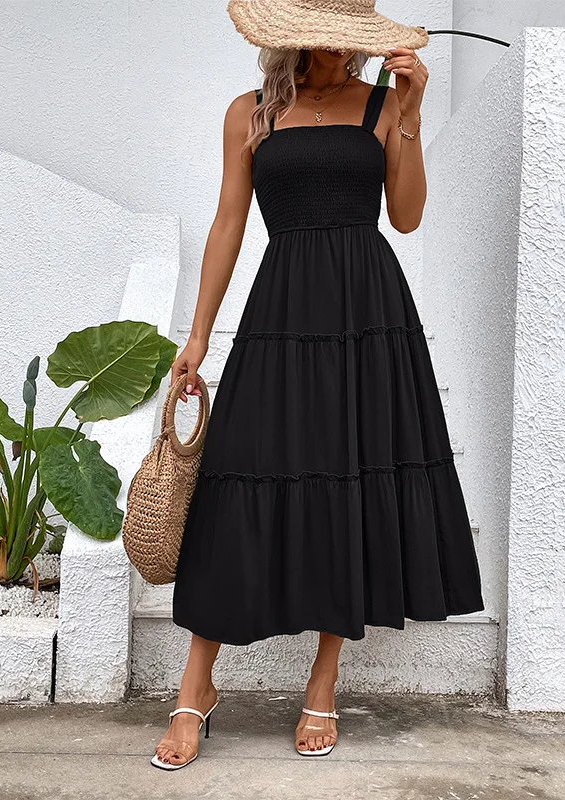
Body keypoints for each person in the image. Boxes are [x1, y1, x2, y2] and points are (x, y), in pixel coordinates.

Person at [151, 0, 485, 770]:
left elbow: (406, 216)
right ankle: (197, 685)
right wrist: (197, 335)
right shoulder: (251, 112)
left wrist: (411, 114)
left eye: (348, 31)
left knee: (348, 480)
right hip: (282, 306)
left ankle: (323, 681)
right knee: (239, 480)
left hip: (366, 312)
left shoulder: (381, 105)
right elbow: (229, 223)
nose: (339, 44)